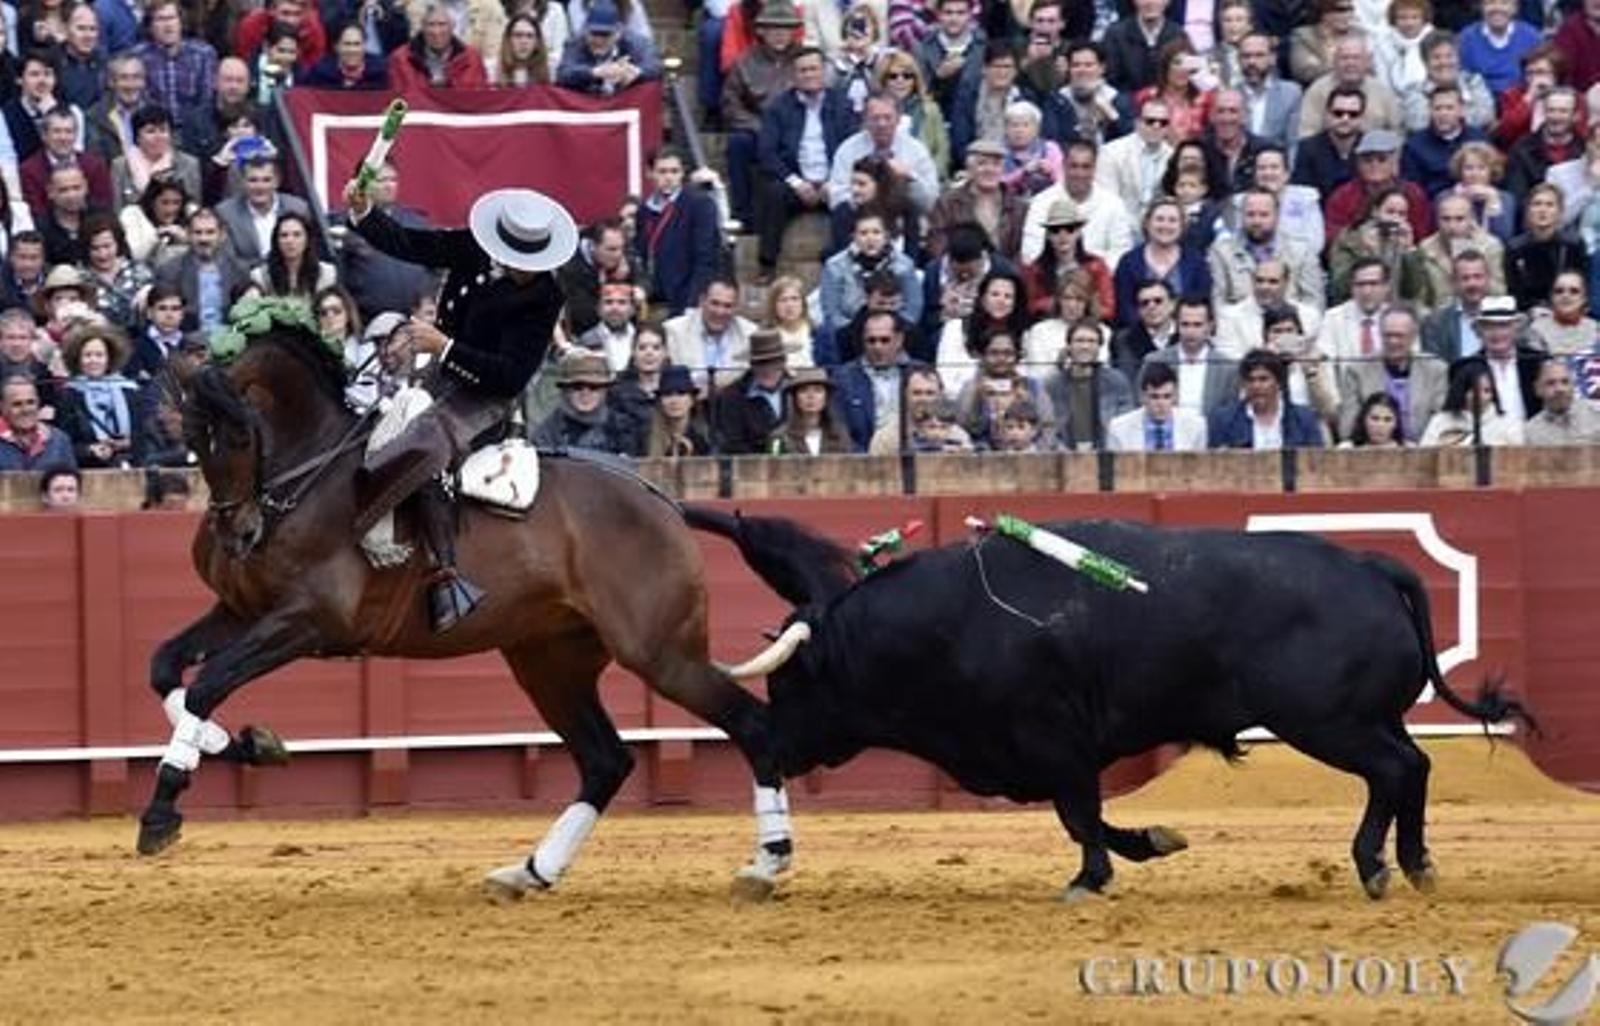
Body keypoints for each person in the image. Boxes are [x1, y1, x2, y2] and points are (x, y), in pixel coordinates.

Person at [344, 175, 575, 634]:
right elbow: (410, 243)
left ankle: (445, 573)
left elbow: (511, 375)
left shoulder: (545, 297)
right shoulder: (473, 246)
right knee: (370, 420)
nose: (524, 271)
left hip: (485, 398)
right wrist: (365, 212)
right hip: (437, 375)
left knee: (426, 443)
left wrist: (445, 346)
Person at [1336, 304, 1448, 443]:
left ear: (1413, 337)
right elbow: (1346, 429)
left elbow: (1441, 424)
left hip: (1424, 448)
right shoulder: (1357, 370)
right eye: (1387, 335)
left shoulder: (1436, 370)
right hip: (1371, 450)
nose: (1392, 341)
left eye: (1399, 336)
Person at [636, 148, 721, 317]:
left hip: (686, 297)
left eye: (674, 171)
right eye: (662, 171)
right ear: (650, 173)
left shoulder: (700, 204)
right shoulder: (644, 210)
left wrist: (693, 302)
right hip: (654, 296)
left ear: (683, 173)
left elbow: (705, 258)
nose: (669, 178)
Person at [56, 320, 144, 468]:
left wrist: (129, 443)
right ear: (78, 359)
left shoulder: (130, 390)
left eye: (99, 355)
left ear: (109, 358)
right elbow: (63, 442)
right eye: (87, 355)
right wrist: (89, 450)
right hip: (88, 468)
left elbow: (145, 434)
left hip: (130, 466)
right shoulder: (68, 394)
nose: (93, 360)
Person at [1041, 318, 1134, 450]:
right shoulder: (1053, 384)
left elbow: (1126, 424)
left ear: (1099, 347)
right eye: (1079, 341)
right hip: (1063, 454)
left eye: (1091, 341)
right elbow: (1047, 427)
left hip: (1107, 452)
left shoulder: (1116, 381)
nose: (1085, 346)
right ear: (1069, 345)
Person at [1208, 348, 1327, 449]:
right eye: (1250, 380)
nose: (1256, 386)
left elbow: (1315, 462)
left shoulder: (1304, 419)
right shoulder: (1224, 420)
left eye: (1263, 379)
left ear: (1278, 382)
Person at [529, 349, 635, 453]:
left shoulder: (622, 428)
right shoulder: (549, 430)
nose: (585, 393)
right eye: (577, 387)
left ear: (605, 391)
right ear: (566, 391)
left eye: (594, 387)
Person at [1418, 356, 1525, 445]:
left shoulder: (1508, 424)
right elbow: (1425, 455)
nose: (1481, 397)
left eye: (1487, 391)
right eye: (1474, 390)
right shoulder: (1440, 422)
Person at [1105, 360, 1208, 451]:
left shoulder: (1196, 426)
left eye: (1167, 396)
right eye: (1154, 397)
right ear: (1143, 397)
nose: (1161, 403)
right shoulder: (1118, 428)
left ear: (1175, 396)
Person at [767, 365, 852, 454]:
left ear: (826, 397)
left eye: (818, 390)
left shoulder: (840, 435)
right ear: (795, 397)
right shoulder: (778, 438)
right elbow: (772, 462)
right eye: (803, 390)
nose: (811, 396)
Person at [0, 374, 76, 471]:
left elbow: (71, 478)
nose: (26, 410)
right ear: (2, 407)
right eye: (17, 404)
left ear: (38, 402)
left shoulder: (59, 440)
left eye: (30, 402)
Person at [639, 362, 710, 457]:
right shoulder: (644, 436)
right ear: (660, 401)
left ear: (692, 400)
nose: (674, 401)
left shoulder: (705, 437)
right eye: (667, 394)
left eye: (681, 393)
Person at [1525, 357, 1600, 444]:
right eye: (1550, 383)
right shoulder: (1530, 432)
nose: (1560, 389)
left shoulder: (1596, 415)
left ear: (1573, 385)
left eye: (1565, 382)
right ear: (1538, 389)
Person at [1340, 391, 1407, 447]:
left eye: (1387, 420)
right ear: (1364, 419)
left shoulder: (1407, 450)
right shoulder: (1347, 448)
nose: (1380, 425)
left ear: (1396, 424)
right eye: (1375, 419)